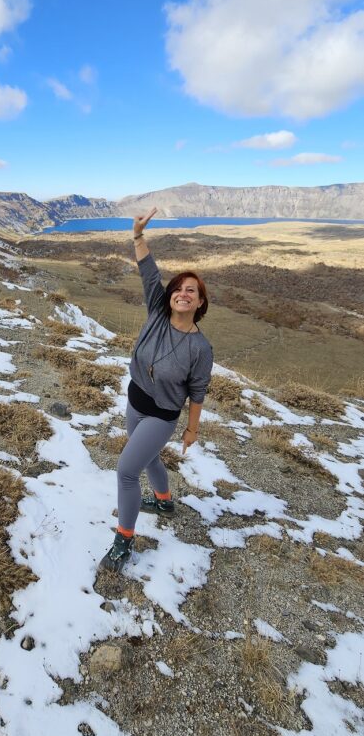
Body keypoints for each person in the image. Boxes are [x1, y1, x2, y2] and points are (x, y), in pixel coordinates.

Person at [99, 207, 213, 572]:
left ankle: (123, 541)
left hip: (162, 414)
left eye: (190, 290)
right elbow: (149, 273)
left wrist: (191, 430)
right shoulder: (157, 314)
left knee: (126, 471)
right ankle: (164, 501)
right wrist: (137, 236)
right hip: (135, 399)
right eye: (178, 288)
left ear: (199, 302)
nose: (182, 293)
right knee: (148, 458)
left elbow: (197, 392)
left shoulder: (201, 348)